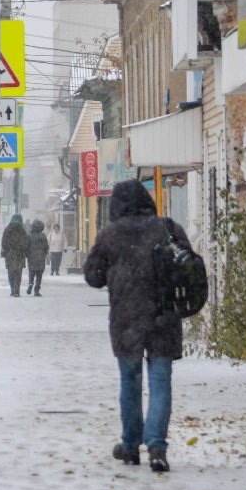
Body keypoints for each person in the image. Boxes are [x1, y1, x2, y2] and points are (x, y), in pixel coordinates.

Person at [83, 179, 193, 474]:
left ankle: (130, 446)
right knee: (160, 381)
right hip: (163, 316)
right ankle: (157, 446)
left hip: (127, 319)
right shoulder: (168, 229)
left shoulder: (110, 235)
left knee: (130, 381)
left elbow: (93, 276)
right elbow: (187, 266)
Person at [0, 214, 29, 297]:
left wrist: (6, 250)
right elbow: (25, 242)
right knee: (18, 273)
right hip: (20, 254)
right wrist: (23, 249)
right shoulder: (22, 230)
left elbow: (3, 242)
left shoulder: (7, 229)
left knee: (11, 272)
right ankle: (17, 290)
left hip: (10, 254)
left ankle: (12, 289)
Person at [26, 220, 49, 296]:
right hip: (41, 257)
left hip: (31, 257)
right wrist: (44, 252)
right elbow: (46, 246)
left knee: (31, 273)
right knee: (39, 275)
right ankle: (37, 290)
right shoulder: (43, 236)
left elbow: (26, 246)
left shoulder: (29, 235)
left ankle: (30, 283)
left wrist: (27, 254)